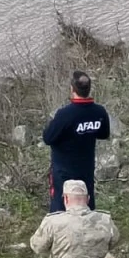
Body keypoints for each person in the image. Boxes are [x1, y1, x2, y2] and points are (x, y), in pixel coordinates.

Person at [29, 179, 120, 258]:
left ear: (65, 199)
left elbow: (37, 246)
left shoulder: (53, 222)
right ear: (87, 199)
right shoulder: (105, 220)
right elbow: (114, 241)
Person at [43, 71, 111, 213]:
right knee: (86, 201)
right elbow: (104, 134)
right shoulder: (99, 112)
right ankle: (89, 230)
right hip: (86, 168)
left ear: (72, 89)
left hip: (63, 171)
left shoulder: (64, 114)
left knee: (61, 205)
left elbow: (48, 138)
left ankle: (60, 231)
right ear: (89, 89)